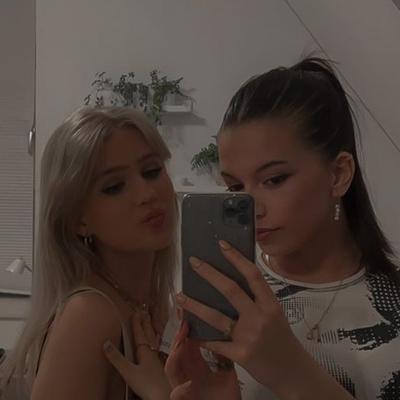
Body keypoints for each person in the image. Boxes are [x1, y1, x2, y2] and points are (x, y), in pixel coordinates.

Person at [105, 57, 400, 399]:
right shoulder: (219, 294)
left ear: (338, 174)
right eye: (235, 187)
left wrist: (290, 372)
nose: (252, 207)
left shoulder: (390, 301)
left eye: (274, 180)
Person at [0, 107, 178, 400]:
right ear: (78, 219)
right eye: (114, 187)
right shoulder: (90, 314)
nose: (147, 194)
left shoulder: (155, 305)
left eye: (152, 171)